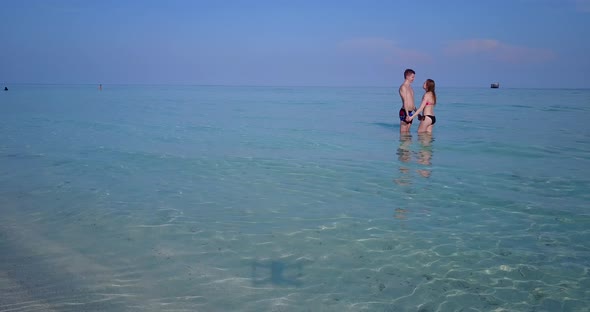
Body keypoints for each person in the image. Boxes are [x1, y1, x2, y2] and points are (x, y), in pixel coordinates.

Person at [398, 69, 416, 133]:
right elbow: (405, 101)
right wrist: (407, 114)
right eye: (412, 77)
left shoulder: (411, 88)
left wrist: (417, 113)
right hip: (405, 112)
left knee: (407, 133)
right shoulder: (403, 87)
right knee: (403, 134)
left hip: (410, 112)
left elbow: (412, 103)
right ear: (407, 76)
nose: (413, 79)